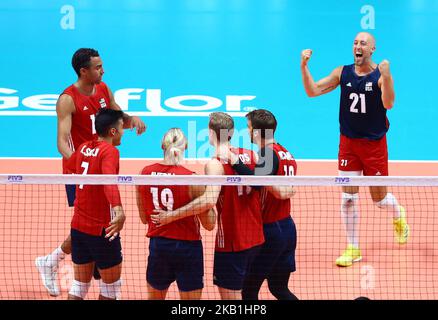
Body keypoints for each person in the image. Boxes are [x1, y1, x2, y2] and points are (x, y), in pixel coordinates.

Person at [35, 48, 146, 296]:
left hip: (101, 165)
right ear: (83, 71)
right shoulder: (68, 99)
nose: (103, 70)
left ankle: (53, 261)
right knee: (88, 224)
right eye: (97, 67)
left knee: (89, 225)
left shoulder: (104, 88)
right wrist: (79, 166)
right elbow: (62, 141)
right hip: (80, 171)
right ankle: (52, 262)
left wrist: (132, 120)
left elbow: (116, 117)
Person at [300, 32, 410, 267]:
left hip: (374, 146)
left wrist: (388, 77)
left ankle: (398, 214)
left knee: (379, 200)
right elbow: (312, 91)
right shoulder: (343, 72)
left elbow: (389, 103)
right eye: (355, 43)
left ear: (373, 50)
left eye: (363, 44)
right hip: (348, 144)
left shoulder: (380, 76)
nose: (357, 47)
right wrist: (303, 67)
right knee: (348, 198)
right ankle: (352, 248)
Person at [150, 112, 264, 300]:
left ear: (210, 133)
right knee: (250, 296)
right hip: (257, 238)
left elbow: (209, 201)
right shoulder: (251, 155)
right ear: (232, 132)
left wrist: (170, 216)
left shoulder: (214, 164)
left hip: (232, 241)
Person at [217, 109, 298, 300]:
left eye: (248, 128)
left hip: (271, 230)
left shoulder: (268, 154)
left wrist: (234, 160)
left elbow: (256, 181)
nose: (247, 132)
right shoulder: (286, 153)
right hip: (287, 227)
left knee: (248, 291)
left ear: (256, 132)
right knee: (279, 288)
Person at [136, 128, 216, 300]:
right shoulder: (192, 179)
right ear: (185, 147)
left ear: (162, 146)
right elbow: (209, 225)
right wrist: (210, 196)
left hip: (159, 247)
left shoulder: (144, 174)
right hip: (188, 249)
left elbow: (144, 218)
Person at [66, 108, 126, 300]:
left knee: (79, 287)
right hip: (102, 230)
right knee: (111, 288)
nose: (124, 131)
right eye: (122, 127)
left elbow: (69, 165)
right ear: (113, 131)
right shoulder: (110, 152)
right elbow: (109, 180)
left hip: (78, 228)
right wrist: (118, 209)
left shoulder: (83, 147)